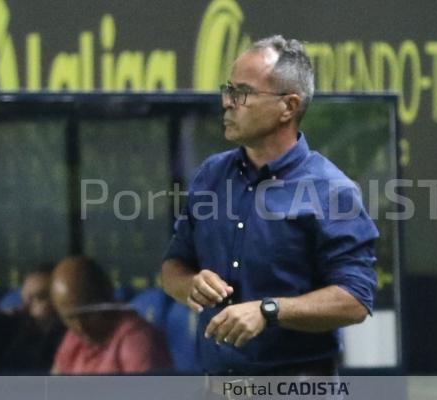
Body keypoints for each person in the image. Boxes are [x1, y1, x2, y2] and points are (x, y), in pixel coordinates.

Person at [161, 35, 379, 376]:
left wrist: (268, 310)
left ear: (288, 107)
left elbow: (355, 300)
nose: (227, 102)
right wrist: (190, 284)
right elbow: (173, 267)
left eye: (242, 92)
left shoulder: (331, 190)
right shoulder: (211, 175)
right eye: (227, 89)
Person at [50, 256, 172, 374]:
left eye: (87, 315)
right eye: (69, 318)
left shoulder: (137, 342)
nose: (80, 326)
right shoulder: (74, 337)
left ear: (106, 297)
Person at [0, 264, 66, 373]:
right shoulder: (6, 326)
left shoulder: (71, 344)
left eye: (38, 298)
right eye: (24, 300)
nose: (24, 308)